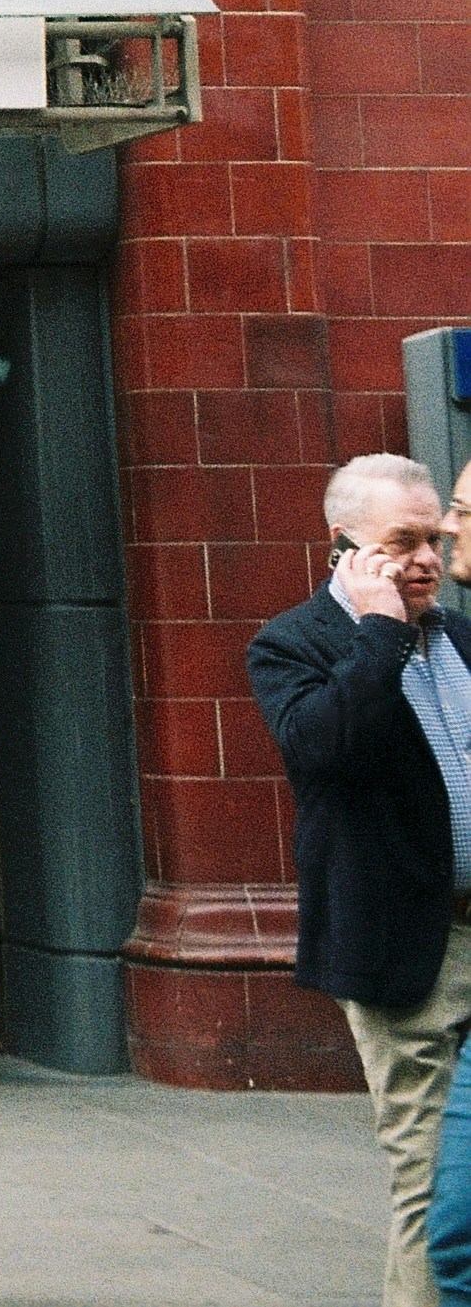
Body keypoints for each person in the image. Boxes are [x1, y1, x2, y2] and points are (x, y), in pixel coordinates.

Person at [250, 453, 471, 1307]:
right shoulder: (291, 643)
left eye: (434, 535)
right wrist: (377, 632)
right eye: (402, 541)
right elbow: (323, 750)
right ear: (345, 546)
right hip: (408, 952)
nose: (425, 556)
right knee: (428, 1180)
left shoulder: (457, 637)